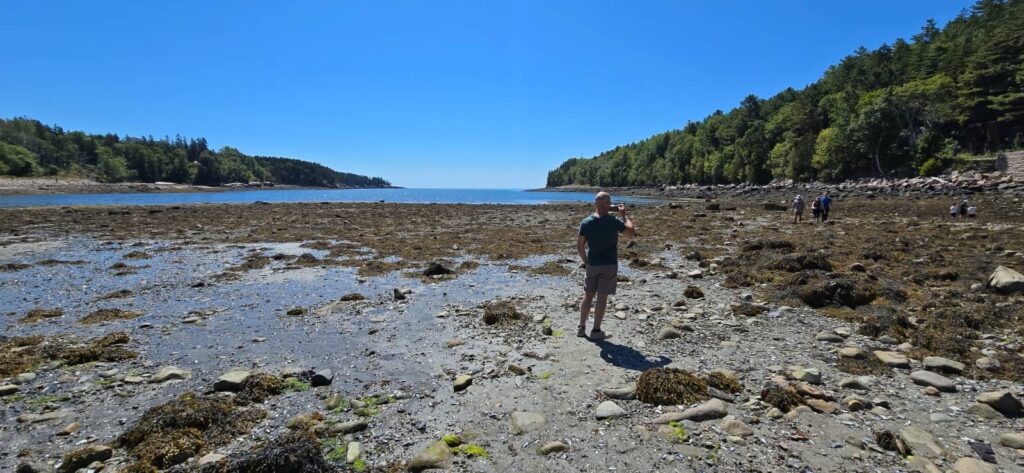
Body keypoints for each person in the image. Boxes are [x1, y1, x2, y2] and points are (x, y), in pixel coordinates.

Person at [577, 192, 635, 339]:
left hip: (593, 264)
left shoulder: (586, 222)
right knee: (602, 298)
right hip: (609, 264)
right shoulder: (613, 221)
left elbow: (580, 246)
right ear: (609, 205)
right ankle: (596, 331)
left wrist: (585, 261)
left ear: (595, 204)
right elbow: (630, 232)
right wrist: (624, 215)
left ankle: (581, 327)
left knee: (588, 296)